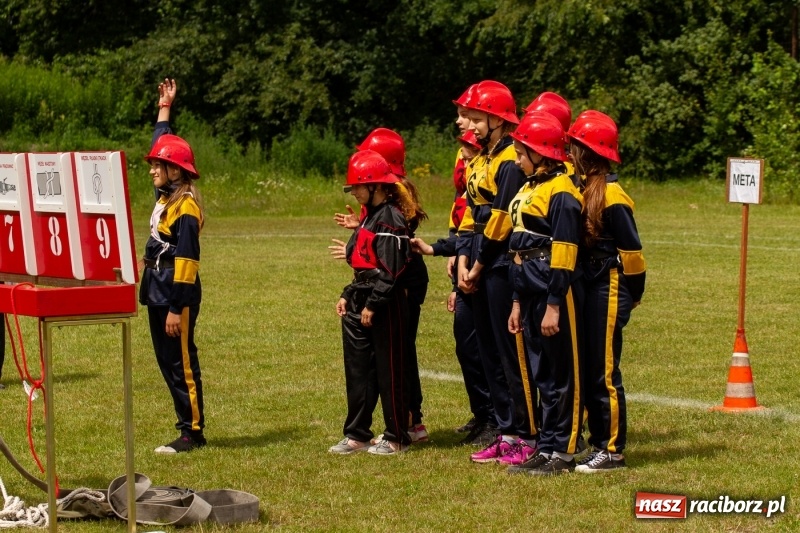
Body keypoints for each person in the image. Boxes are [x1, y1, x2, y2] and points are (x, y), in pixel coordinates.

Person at [455, 80, 539, 465]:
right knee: (489, 351)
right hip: (481, 260)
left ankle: (527, 434)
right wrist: (461, 256)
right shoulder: (483, 157)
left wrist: (478, 263)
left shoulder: (508, 160)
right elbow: (474, 214)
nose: (468, 124)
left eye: (475, 117)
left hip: (502, 263)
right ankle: (506, 432)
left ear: (498, 120)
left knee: (510, 354)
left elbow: (500, 220)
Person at [330, 128, 429, 444]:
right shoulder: (373, 214)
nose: (354, 193)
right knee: (361, 368)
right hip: (365, 294)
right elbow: (363, 265)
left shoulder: (391, 214)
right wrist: (350, 294)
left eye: (358, 187)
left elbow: (390, 269)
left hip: (388, 297)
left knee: (393, 364)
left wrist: (374, 303)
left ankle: (403, 428)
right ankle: (357, 433)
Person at [503, 111, 585, 476]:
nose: (517, 159)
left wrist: (554, 303)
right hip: (528, 286)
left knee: (559, 373)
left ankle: (564, 453)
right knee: (541, 375)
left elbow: (566, 250)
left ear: (542, 153)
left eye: (522, 153)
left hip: (552, 288)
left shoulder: (563, 191)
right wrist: (518, 302)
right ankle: (547, 446)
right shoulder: (528, 186)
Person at [567, 110, 646, 473]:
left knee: (604, 371)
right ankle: (597, 443)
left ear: (588, 152)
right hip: (588, 284)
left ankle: (612, 450)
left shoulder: (613, 194)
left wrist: (633, 295)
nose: (569, 152)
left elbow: (632, 254)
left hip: (609, 285)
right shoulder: (582, 188)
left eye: (575, 147)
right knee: (588, 367)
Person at [410, 126, 495, 447]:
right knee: (469, 347)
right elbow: (464, 234)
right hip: (468, 274)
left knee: (486, 350)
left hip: (485, 273)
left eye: (468, 149)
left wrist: (465, 266)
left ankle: (497, 419)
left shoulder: (495, 174)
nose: (462, 156)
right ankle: (484, 414)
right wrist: (447, 256)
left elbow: (483, 233)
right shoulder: (466, 192)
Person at [140, 78, 207, 454]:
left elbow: (186, 261)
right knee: (167, 363)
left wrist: (176, 308)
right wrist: (164, 108)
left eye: (159, 166)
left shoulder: (185, 207)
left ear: (175, 171)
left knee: (181, 363)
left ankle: (192, 432)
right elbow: (161, 143)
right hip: (157, 289)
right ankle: (185, 425)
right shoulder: (167, 195)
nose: (152, 169)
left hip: (174, 294)